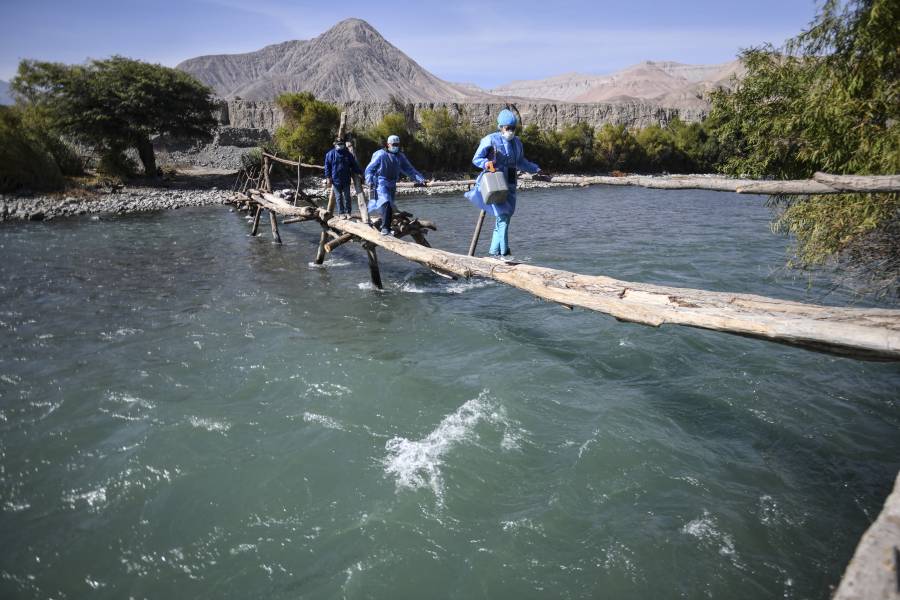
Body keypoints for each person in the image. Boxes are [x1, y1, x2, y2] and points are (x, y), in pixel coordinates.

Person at [465, 109, 547, 257]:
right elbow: (476, 159)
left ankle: (493, 252)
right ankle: (504, 254)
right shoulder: (490, 140)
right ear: (500, 127)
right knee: (503, 217)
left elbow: (521, 162)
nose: (510, 131)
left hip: (510, 184)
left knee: (504, 218)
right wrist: (486, 164)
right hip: (495, 184)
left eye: (513, 128)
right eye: (508, 128)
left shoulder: (517, 143)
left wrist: (536, 169)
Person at [364, 135, 426, 235]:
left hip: (392, 184)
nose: (396, 146)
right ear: (388, 144)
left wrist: (420, 179)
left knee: (390, 205)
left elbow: (409, 169)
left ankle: (386, 225)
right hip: (381, 182)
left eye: (397, 144)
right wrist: (369, 181)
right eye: (394, 144)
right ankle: (385, 229)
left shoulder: (400, 156)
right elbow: (370, 169)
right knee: (386, 202)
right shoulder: (380, 154)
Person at [324, 137, 363, 218]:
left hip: (346, 179)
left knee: (347, 197)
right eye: (338, 144)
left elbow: (354, 165)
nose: (340, 145)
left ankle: (348, 213)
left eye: (341, 144)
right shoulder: (330, 154)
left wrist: (359, 172)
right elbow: (327, 167)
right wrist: (328, 177)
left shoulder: (348, 154)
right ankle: (341, 213)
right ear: (335, 144)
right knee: (338, 197)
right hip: (335, 180)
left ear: (344, 144)